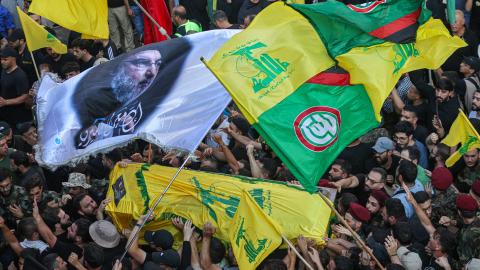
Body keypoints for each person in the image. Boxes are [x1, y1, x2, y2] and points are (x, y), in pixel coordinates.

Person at [0, 46, 32, 126]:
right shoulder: (4, 70)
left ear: (13, 59)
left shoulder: (20, 76)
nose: (2, 62)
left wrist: (6, 102)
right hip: (5, 115)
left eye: (5, 59)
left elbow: (24, 97)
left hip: (17, 118)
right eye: (1, 59)